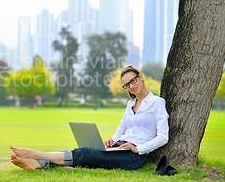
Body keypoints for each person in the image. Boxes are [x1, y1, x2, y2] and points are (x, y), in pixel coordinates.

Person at [10, 65, 169, 171]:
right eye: (127, 85)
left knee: (86, 153)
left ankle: (35, 155)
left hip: (133, 156)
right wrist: (112, 140)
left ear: (140, 77)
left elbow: (163, 136)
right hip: (118, 147)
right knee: (88, 155)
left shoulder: (157, 103)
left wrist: (138, 149)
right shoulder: (130, 104)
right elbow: (121, 129)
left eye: (133, 81)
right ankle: (39, 164)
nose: (131, 86)